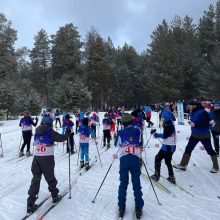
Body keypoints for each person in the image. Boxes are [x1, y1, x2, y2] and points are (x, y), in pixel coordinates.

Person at [26, 114, 71, 214]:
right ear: (50, 123)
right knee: (50, 177)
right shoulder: (50, 131)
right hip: (47, 157)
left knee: (36, 179)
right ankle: (55, 195)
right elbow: (61, 138)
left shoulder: (37, 130)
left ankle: (30, 202)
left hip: (36, 158)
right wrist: (67, 134)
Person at [174, 100, 219, 173]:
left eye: (190, 106)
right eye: (188, 106)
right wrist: (192, 123)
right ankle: (183, 165)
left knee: (209, 150)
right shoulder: (193, 112)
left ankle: (216, 167)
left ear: (194, 106)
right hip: (194, 134)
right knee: (188, 148)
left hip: (204, 135)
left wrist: (195, 124)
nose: (188, 107)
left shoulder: (203, 112)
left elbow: (205, 124)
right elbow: (195, 121)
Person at [115, 113, 144, 219]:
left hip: (124, 159)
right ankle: (139, 206)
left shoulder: (120, 132)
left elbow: (117, 144)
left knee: (123, 183)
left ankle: (121, 206)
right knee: (136, 183)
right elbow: (140, 143)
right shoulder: (138, 130)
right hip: (135, 158)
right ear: (131, 121)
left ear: (122, 123)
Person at [150, 118, 176, 184]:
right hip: (171, 147)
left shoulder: (168, 126)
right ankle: (171, 176)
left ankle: (156, 175)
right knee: (168, 161)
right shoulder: (171, 126)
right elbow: (166, 135)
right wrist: (156, 134)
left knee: (157, 158)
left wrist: (156, 135)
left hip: (167, 147)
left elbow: (165, 136)